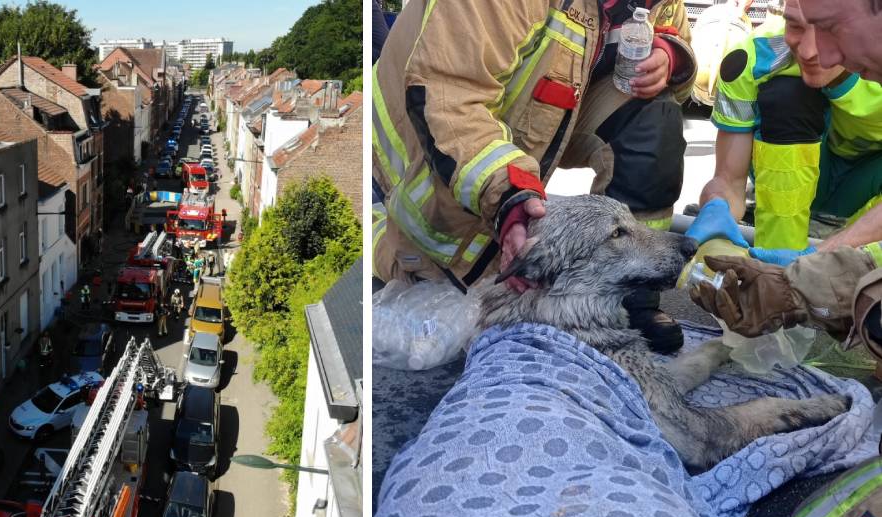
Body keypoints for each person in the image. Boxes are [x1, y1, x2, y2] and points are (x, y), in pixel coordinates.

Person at [372, 0, 697, 353]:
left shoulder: (665, 3)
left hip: (538, 120)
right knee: (439, 304)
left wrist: (671, 57)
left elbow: (680, 79)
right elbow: (449, 100)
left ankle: (633, 298)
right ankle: (386, 233)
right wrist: (508, 196)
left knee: (656, 114)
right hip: (420, 151)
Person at [689, 0, 882, 263]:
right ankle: (773, 268)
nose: (810, 51)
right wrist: (716, 206)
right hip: (801, 179)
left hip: (867, 185)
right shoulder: (749, 59)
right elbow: (729, 180)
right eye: (795, 25)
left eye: (831, 29)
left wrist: (822, 259)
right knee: (785, 96)